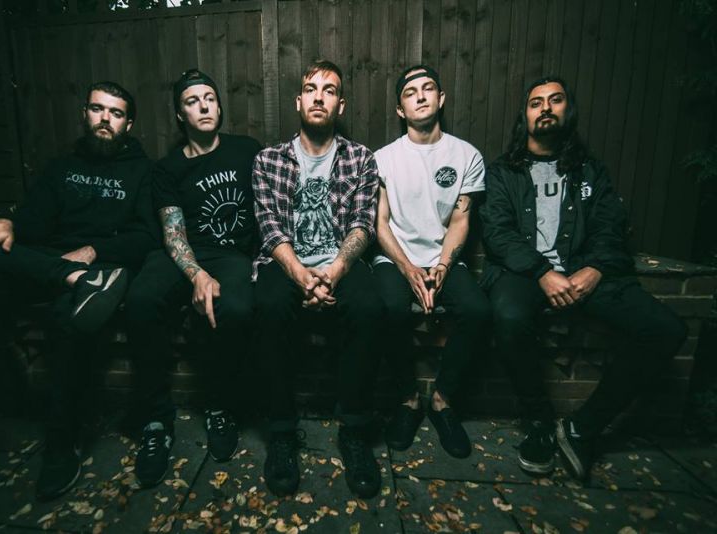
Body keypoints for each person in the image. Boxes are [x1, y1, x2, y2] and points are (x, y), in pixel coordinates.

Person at [0, 81, 158, 499]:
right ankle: (66, 275)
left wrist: (94, 250)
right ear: (85, 114)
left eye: (116, 113)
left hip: (101, 269)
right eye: (98, 109)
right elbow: (31, 222)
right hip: (53, 262)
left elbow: (146, 237)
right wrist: (6, 223)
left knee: (69, 320)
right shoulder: (61, 167)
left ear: (128, 124)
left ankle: (61, 443)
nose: (105, 119)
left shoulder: (142, 172)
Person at [480, 76, 687, 479]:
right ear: (525, 117)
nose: (545, 108)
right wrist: (542, 272)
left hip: (584, 271)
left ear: (567, 111)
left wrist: (596, 268)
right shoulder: (504, 171)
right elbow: (498, 232)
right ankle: (539, 421)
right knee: (508, 316)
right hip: (524, 273)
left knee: (665, 329)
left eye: (554, 100)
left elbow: (611, 226)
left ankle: (582, 428)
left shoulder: (590, 170)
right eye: (536, 103)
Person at [252, 60, 384, 498]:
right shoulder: (269, 160)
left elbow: (362, 225)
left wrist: (334, 272)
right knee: (268, 305)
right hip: (285, 262)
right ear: (298, 101)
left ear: (339, 105)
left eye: (329, 90)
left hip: (341, 263)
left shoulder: (360, 158)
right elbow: (270, 227)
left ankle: (354, 430)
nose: (319, 97)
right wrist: (301, 275)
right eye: (311, 88)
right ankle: (281, 432)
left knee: (369, 306)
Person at [125, 69, 261, 486]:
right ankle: (155, 421)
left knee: (236, 308)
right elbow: (173, 234)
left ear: (219, 107)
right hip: (182, 254)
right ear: (180, 115)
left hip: (231, 255)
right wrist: (197, 275)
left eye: (209, 98)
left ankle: (220, 405)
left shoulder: (247, 150)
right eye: (192, 101)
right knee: (141, 300)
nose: (203, 106)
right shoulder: (167, 169)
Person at [372, 65, 490, 458]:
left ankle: (442, 401)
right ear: (400, 109)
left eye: (428, 89)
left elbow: (460, 220)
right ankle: (408, 399)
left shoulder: (467, 155)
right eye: (410, 92)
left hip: (443, 258)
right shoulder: (384, 159)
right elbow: (380, 223)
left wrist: (440, 268)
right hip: (395, 258)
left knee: (477, 310)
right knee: (388, 307)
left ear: (441, 99)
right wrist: (408, 270)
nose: (420, 96)